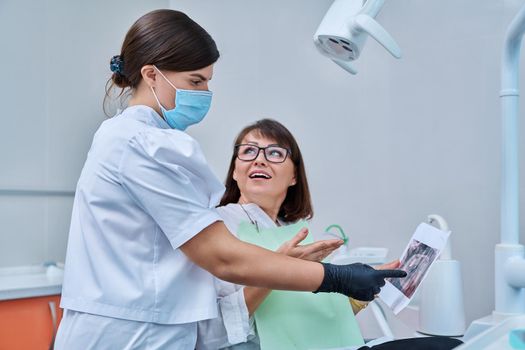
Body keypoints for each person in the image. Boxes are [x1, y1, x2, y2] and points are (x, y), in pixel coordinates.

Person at [54, 10, 406, 349]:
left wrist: (329, 283)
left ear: (295, 174)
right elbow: (223, 258)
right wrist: (337, 279)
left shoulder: (136, 139)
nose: (205, 92)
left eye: (207, 81)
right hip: (128, 334)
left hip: (154, 329)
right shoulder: (140, 143)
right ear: (151, 75)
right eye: (195, 81)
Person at [196, 119, 464, 350]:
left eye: (275, 153)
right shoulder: (219, 226)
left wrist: (358, 297)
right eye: (248, 151)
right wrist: (277, 268)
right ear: (235, 169)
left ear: (294, 176)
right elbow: (209, 333)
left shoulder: (291, 230)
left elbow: (301, 316)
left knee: (453, 345)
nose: (259, 159)